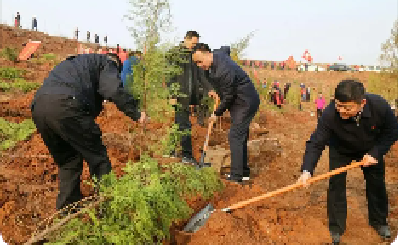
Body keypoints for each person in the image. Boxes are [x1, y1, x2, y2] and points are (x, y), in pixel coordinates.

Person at [31, 53, 147, 212]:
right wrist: (136, 113)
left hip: (39, 107)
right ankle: (107, 207)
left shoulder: (79, 62)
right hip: (67, 105)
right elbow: (113, 90)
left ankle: (67, 210)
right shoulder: (107, 63)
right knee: (98, 157)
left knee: (68, 161)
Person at [297, 80, 397, 244]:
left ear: (362, 102)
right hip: (340, 149)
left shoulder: (379, 106)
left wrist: (376, 153)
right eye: (338, 105)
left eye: (347, 108)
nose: (342, 111)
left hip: (370, 150)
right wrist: (307, 170)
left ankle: (379, 222)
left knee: (377, 184)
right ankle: (336, 227)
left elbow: (392, 131)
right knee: (336, 185)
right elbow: (316, 142)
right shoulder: (330, 114)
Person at [192, 43, 260, 184]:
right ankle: (243, 172)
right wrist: (213, 89)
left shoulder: (224, 70)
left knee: (235, 135)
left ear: (207, 53)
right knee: (240, 136)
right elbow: (225, 48)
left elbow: (228, 96)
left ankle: (236, 176)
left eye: (200, 61)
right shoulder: (218, 55)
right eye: (196, 63)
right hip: (239, 102)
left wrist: (217, 113)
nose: (199, 65)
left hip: (244, 102)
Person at [165, 31, 208, 165]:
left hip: (188, 95)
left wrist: (208, 90)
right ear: (186, 39)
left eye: (196, 44)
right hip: (179, 94)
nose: (194, 46)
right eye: (193, 43)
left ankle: (170, 150)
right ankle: (187, 156)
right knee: (184, 125)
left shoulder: (193, 55)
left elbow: (200, 75)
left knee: (179, 122)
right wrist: (172, 94)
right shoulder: (175, 54)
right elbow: (169, 75)